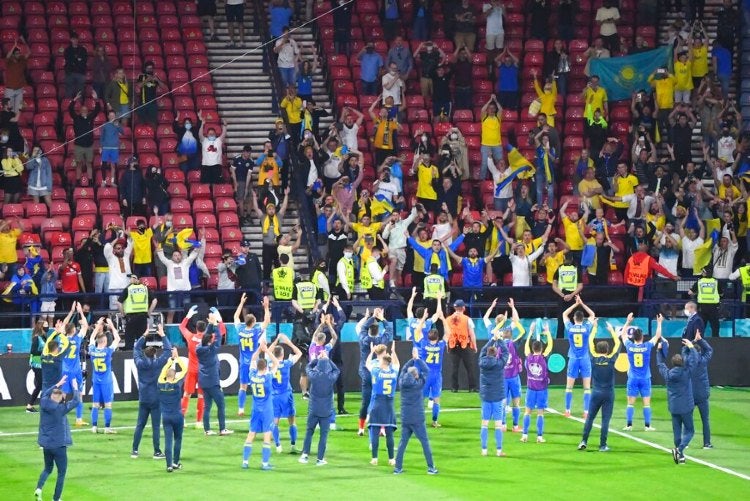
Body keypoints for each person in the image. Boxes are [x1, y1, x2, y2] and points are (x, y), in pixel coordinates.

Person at [34, 375, 79, 501]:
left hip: (46, 445)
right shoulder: (60, 409)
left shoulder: (43, 403)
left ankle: (39, 488)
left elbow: (45, 394)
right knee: (61, 473)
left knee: (48, 468)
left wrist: (57, 384)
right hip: (59, 446)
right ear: (59, 399)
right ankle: (56, 498)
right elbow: (76, 401)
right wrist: (75, 387)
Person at [578, 319, 620, 451]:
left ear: (597, 349)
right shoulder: (611, 359)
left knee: (590, 418)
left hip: (596, 392)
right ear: (607, 350)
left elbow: (590, 341)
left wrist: (594, 328)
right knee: (605, 420)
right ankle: (602, 445)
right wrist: (612, 331)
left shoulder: (593, 358)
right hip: (608, 393)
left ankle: (583, 441)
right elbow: (618, 344)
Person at [131, 323, 172, 460]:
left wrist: (144, 335)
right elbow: (168, 351)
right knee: (155, 426)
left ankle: (134, 450)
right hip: (155, 399)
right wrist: (163, 335)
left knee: (140, 425)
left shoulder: (140, 363)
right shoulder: (158, 363)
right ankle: (156, 452)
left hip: (143, 398)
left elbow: (136, 348)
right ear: (154, 355)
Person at [657, 337, 699, 464]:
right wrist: (691, 346)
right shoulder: (687, 372)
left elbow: (660, 364)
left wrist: (658, 351)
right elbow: (695, 360)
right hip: (686, 406)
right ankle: (679, 450)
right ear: (682, 362)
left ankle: (680, 457)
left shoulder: (668, 375)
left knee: (677, 431)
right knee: (690, 430)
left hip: (674, 406)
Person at [394, 356, 438, 475]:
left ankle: (397, 468)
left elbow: (403, 370)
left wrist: (411, 361)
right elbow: (427, 371)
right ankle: (431, 467)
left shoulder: (402, 382)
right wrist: (417, 359)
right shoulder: (418, 384)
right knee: (424, 442)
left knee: (403, 443)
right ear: (415, 375)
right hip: (417, 419)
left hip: (405, 418)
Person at [621, 313, 662, 432]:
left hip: (633, 377)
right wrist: (659, 322)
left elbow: (623, 334)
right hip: (645, 378)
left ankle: (629, 425)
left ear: (633, 337)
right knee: (646, 403)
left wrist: (628, 322)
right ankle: (647, 426)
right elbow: (657, 335)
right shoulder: (647, 346)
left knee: (630, 403)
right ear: (642, 337)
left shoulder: (629, 346)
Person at [299, 350, 340, 466]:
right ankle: (320, 459)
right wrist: (327, 359)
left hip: (313, 409)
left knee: (309, 431)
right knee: (323, 435)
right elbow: (337, 370)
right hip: (326, 411)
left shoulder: (314, 376)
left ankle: (305, 455)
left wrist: (317, 358)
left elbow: (308, 366)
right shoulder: (330, 377)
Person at [242, 345, 279, 470]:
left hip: (255, 409)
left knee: (251, 433)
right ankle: (265, 464)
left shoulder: (252, 375)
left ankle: (245, 461)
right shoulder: (268, 377)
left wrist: (259, 349)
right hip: (267, 410)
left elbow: (253, 359)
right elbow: (276, 362)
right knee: (267, 435)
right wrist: (267, 350)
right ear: (266, 367)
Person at [356, 309, 393, 435]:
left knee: (365, 400)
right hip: (379, 373)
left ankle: (361, 428)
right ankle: (382, 429)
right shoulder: (381, 342)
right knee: (380, 401)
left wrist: (372, 317)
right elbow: (389, 330)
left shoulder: (363, 339)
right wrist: (382, 318)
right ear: (378, 331)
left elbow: (363, 328)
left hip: (366, 372)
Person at [197, 312, 233, 436]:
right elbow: (218, 338)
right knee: (221, 404)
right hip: (213, 382)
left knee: (207, 406)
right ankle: (222, 429)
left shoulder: (199, 348)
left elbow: (206, 337)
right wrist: (216, 324)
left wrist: (211, 324)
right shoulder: (211, 350)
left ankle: (207, 430)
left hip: (203, 381)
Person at [234, 294, 270, 416]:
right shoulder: (255, 331)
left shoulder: (240, 329)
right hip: (255, 362)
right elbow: (267, 321)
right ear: (253, 322)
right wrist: (266, 307)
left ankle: (240, 408)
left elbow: (235, 317)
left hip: (244, 362)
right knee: (260, 383)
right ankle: (261, 406)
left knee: (243, 387)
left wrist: (241, 303)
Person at [563, 296, 596, 418]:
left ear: (574, 318)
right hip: (585, 359)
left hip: (573, 358)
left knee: (569, 387)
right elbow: (592, 314)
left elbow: (564, 314)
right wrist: (582, 303)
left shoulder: (570, 328)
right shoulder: (587, 327)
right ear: (583, 319)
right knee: (587, 387)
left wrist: (575, 305)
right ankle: (586, 412)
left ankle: (567, 410)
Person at [269, 334, 303, 453]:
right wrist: (288, 342)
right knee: (292, 421)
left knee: (275, 422)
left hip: (274, 397)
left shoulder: (270, 364)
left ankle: (278, 445)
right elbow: (299, 353)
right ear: (282, 355)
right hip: (286, 395)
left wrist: (275, 341)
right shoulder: (287, 363)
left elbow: (267, 352)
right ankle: (293, 445)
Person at [368, 342, 400, 466]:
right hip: (389, 404)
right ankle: (391, 458)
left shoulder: (376, 371)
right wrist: (394, 351)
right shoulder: (394, 372)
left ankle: (374, 458)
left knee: (375, 431)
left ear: (383, 363)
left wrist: (371, 352)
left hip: (377, 403)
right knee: (389, 432)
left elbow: (367, 364)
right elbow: (397, 364)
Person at [521, 322, 553, 443]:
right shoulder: (544, 357)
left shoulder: (528, 357)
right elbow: (550, 345)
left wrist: (530, 332)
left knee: (527, 412)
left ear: (533, 348)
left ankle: (524, 435)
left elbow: (525, 346)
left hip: (530, 389)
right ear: (541, 349)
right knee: (540, 413)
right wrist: (548, 331)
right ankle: (539, 437)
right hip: (542, 390)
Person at [88, 317, 121, 434]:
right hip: (106, 381)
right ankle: (107, 428)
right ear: (105, 341)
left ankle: (94, 427)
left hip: (95, 380)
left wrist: (98, 326)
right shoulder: (108, 351)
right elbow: (118, 338)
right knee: (107, 405)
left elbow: (92, 337)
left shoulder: (92, 350)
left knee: (95, 404)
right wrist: (111, 325)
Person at [478, 332, 510, 456]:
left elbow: (482, 350)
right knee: (498, 425)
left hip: (486, 396)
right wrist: (500, 340)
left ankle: (484, 450)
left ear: (487, 353)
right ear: (496, 354)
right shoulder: (499, 364)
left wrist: (492, 339)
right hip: (497, 397)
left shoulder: (481, 362)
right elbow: (506, 352)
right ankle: (498, 451)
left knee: (484, 424)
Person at [414, 311, 447, 428]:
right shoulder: (441, 345)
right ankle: (434, 421)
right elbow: (448, 333)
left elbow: (417, 331)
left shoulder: (423, 343)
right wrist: (443, 320)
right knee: (436, 399)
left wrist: (423, 318)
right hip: (436, 375)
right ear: (438, 337)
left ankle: (419, 420)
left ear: (427, 337)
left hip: (425, 374)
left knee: (421, 399)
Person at [157, 348, 187, 472]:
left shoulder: (160, 383)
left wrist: (170, 361)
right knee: (178, 438)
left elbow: (163, 372)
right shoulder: (177, 384)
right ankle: (175, 462)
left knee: (168, 440)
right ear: (175, 376)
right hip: (177, 415)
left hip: (166, 416)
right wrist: (177, 357)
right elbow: (185, 369)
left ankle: (169, 465)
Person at [60, 303, 89, 427]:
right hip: (75, 370)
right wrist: (80, 312)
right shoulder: (77, 339)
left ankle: (59, 418)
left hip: (64, 370)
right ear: (73, 330)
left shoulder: (62, 338)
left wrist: (71, 311)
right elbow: (86, 326)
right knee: (78, 394)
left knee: (63, 395)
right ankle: (78, 419)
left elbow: (62, 326)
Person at [179, 306, 206, 428]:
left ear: (196, 328)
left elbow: (181, 327)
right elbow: (221, 331)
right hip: (202, 371)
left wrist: (188, 316)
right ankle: (199, 422)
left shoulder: (190, 337)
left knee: (186, 394)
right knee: (201, 395)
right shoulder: (207, 339)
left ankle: (182, 419)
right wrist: (217, 321)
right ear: (205, 329)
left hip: (191, 370)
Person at [687, 331, 713, 449]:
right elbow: (709, 350)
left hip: (690, 395)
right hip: (702, 395)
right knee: (705, 420)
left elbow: (685, 351)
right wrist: (700, 340)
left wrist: (691, 342)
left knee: (687, 419)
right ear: (699, 352)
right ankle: (706, 443)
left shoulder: (687, 361)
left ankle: (685, 443)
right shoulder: (703, 361)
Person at [446, 299, 478, 392]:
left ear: (455, 308)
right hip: (465, 345)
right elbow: (472, 334)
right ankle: (472, 387)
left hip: (453, 345)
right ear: (463, 308)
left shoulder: (448, 320)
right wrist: (474, 346)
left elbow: (447, 334)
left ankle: (454, 388)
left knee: (454, 368)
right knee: (470, 368)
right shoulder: (467, 319)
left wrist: (447, 345)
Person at [118, 274, 149, 350]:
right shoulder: (145, 288)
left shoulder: (128, 289)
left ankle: (128, 356)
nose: (130, 280)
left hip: (131, 317)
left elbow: (119, 303)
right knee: (142, 342)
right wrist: (148, 313)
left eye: (132, 278)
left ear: (137, 279)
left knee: (129, 342)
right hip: (143, 317)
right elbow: (154, 301)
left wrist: (123, 314)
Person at [27, 321, 49, 413]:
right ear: (41, 327)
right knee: (40, 384)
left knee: (41, 385)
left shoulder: (44, 337)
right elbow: (33, 351)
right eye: (46, 326)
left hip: (42, 363)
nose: (47, 327)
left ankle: (34, 405)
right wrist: (43, 353)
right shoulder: (37, 338)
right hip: (37, 363)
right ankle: (30, 405)